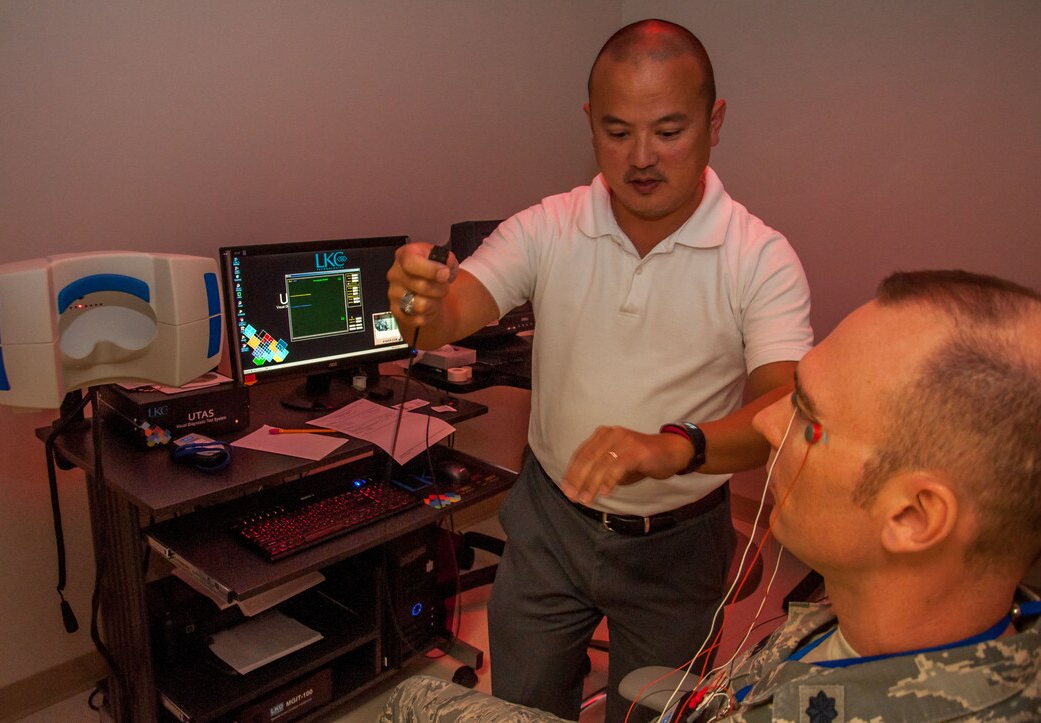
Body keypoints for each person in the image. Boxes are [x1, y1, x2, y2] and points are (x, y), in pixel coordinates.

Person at [387, 19, 812, 722]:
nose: (641, 157)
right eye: (617, 132)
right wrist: (413, 300)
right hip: (549, 521)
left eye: (669, 131)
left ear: (716, 121)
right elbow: (445, 318)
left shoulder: (758, 257)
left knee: (654, 713)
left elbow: (782, 407)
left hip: (678, 543)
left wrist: (676, 445)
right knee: (521, 701)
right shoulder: (551, 225)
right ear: (590, 123)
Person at [380, 269, 1041, 722]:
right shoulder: (866, 616)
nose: (761, 422)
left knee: (413, 700)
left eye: (807, 420)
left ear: (914, 514)